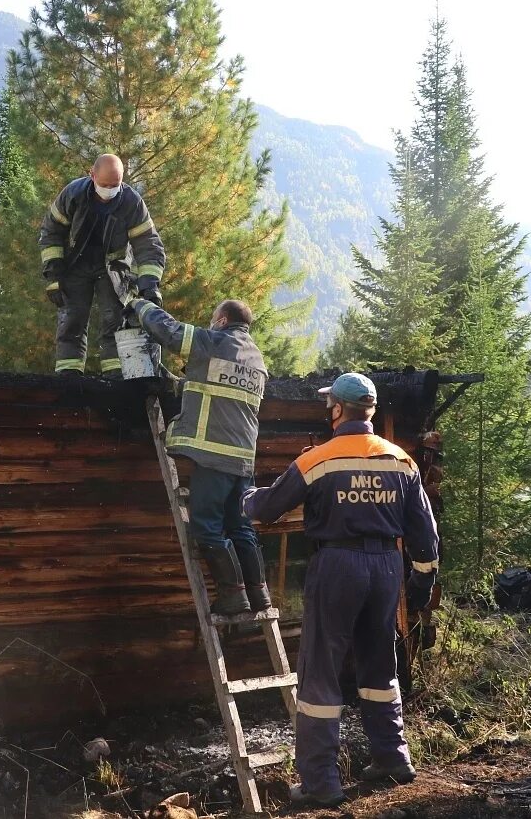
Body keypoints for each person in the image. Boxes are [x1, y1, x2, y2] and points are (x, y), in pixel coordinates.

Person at [242, 373, 439, 808]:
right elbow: (425, 533)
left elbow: (269, 509)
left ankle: (320, 783)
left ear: (336, 410)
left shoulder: (318, 460)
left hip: (337, 566)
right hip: (386, 566)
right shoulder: (401, 461)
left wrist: (244, 497)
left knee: (320, 670)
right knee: (379, 665)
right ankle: (392, 757)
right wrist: (421, 580)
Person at [122, 293, 271, 614]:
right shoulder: (255, 359)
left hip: (213, 457)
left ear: (221, 321)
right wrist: (175, 381)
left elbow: (169, 330)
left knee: (206, 527)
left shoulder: (214, 341)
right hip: (243, 462)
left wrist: (138, 304)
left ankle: (233, 594)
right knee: (241, 527)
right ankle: (258, 594)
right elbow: (214, 392)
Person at [39, 154, 166, 376]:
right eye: (104, 185)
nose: (109, 191)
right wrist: (53, 274)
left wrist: (150, 285)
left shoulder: (131, 203)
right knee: (72, 319)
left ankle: (115, 377)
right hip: (75, 265)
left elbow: (148, 244)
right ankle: (69, 375)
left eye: (115, 185)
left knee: (115, 320)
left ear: (122, 180)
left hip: (113, 268)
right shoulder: (73, 194)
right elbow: (52, 231)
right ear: (92, 175)